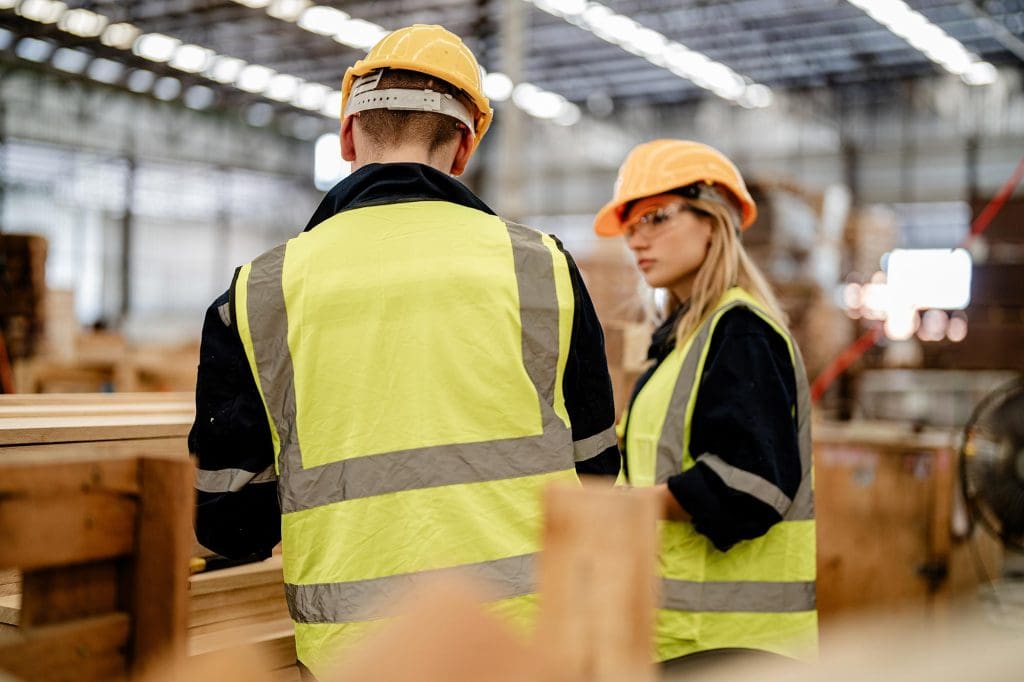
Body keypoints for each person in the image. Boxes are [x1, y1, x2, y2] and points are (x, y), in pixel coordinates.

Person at [189, 24, 619, 676]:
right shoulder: (543, 270)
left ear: (346, 137)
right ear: (465, 147)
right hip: (529, 644)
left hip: (353, 656)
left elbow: (229, 523)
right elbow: (595, 472)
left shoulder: (256, 295)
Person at [593, 140, 817, 667]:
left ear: (712, 220)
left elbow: (753, 486)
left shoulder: (739, 333)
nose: (635, 239)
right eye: (630, 226)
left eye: (655, 218)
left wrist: (625, 508)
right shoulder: (685, 341)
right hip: (686, 633)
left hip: (731, 644)